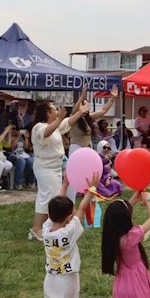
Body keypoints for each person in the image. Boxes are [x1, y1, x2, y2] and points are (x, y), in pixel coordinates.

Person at [42, 173, 99, 298]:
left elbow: (63, 208)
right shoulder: (70, 231)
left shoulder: (46, 229)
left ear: (50, 215)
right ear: (69, 216)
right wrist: (90, 191)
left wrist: (65, 185)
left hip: (50, 278)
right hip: (68, 280)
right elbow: (81, 209)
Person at [30, 102, 89, 242]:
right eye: (54, 110)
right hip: (45, 167)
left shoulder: (56, 126)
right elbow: (46, 132)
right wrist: (59, 119)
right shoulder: (38, 127)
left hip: (55, 166)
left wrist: (80, 112)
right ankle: (35, 229)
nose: (57, 111)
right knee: (46, 197)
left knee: (54, 196)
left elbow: (68, 121)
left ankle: (49, 226)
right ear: (47, 114)